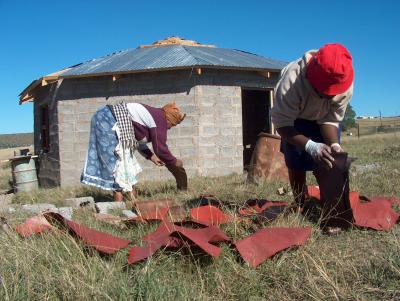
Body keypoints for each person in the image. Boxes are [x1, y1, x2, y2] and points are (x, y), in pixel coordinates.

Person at [271, 43, 354, 216]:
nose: (329, 96)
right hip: (294, 120)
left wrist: (334, 144)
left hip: (322, 119)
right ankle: (302, 203)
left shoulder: (344, 83)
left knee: (332, 159)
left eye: (333, 93)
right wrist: (311, 146)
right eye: (324, 92)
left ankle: (333, 209)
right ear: (311, 77)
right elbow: (282, 124)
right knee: (296, 160)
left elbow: (331, 118)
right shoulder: (291, 81)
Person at [81, 102, 186, 201]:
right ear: (169, 119)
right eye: (172, 125)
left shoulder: (152, 118)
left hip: (106, 117)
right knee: (117, 161)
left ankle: (129, 198)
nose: (170, 128)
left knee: (125, 161)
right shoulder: (160, 119)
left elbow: (138, 141)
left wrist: (151, 156)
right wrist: (175, 162)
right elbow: (160, 149)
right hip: (107, 119)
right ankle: (119, 202)